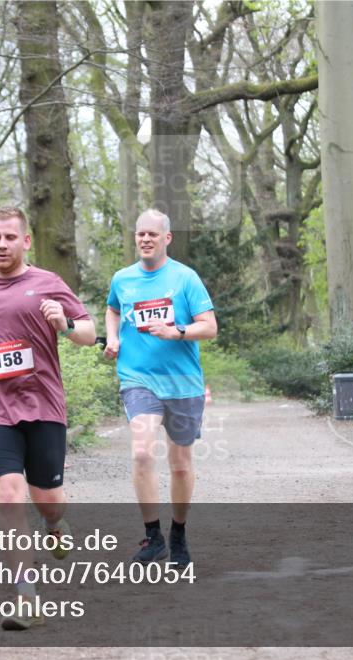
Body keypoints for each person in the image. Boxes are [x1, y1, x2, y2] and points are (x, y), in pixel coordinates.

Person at [0, 205, 96, 630]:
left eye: (11, 237)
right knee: (9, 495)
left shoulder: (47, 282)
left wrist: (64, 323)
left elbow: (87, 332)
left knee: (46, 498)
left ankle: (56, 523)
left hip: (44, 405)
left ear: (26, 241)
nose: (2, 244)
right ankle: (27, 598)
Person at [103, 208, 217, 569]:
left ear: (166, 238)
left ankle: (178, 534)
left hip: (183, 382)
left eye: (153, 234)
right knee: (141, 452)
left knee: (180, 464)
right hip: (138, 379)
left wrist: (177, 331)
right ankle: (153, 538)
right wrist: (112, 338)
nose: (146, 239)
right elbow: (112, 310)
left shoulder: (186, 278)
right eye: (140, 234)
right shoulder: (122, 279)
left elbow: (210, 326)